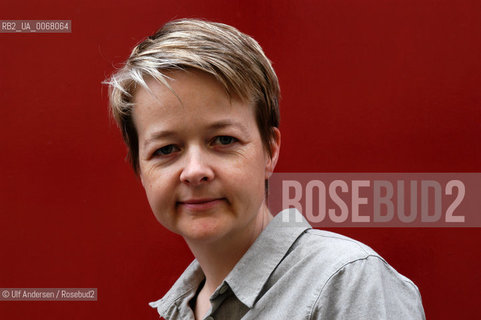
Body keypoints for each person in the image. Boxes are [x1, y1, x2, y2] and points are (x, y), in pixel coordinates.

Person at [104, 18, 425, 319]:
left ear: (270, 150)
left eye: (223, 140)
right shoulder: (178, 310)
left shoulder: (345, 281)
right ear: (141, 171)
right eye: (166, 149)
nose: (195, 170)